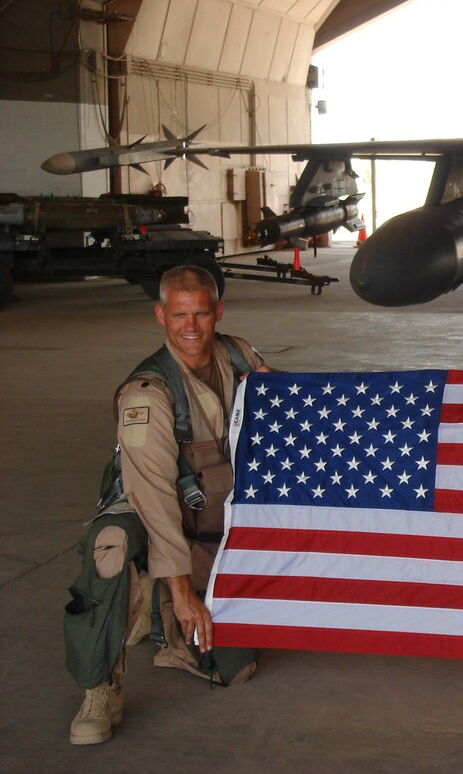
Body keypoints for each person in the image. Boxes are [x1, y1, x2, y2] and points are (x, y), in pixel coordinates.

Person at [64, 265, 272, 745]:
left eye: (201, 313)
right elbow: (156, 498)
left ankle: (154, 608)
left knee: (234, 667)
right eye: (179, 315)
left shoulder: (237, 355)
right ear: (161, 315)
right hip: (151, 509)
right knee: (111, 546)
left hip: (212, 517)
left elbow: (284, 403)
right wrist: (182, 593)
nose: (191, 327)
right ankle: (100, 687)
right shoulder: (148, 394)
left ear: (218, 311)